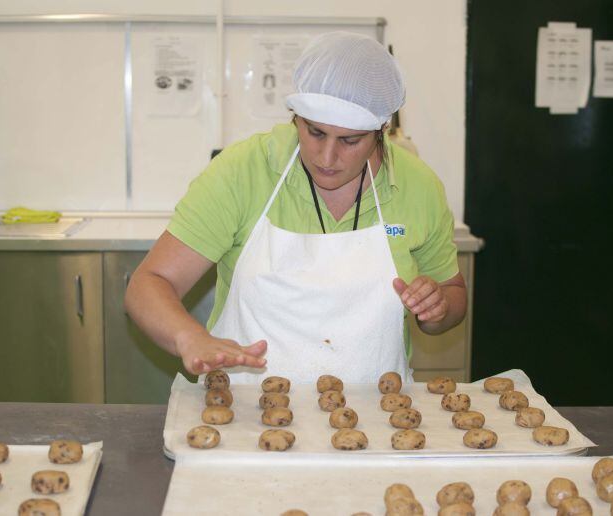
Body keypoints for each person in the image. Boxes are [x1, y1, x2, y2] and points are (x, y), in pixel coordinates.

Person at [125, 32, 466, 384]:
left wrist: (437, 308)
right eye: (315, 132)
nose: (328, 157)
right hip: (246, 415)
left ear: (381, 129)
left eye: (350, 141)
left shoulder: (418, 187)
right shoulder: (244, 172)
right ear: (295, 117)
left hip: (374, 421)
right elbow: (149, 283)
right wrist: (189, 337)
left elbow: (453, 295)